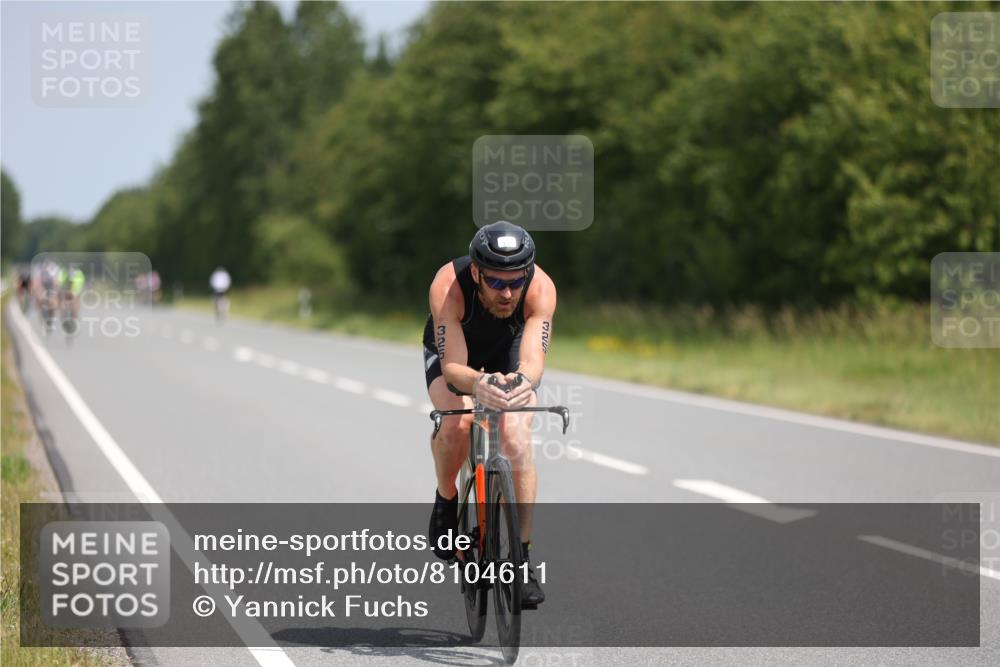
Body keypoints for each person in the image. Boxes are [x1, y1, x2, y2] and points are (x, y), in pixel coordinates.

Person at [423, 220, 557, 608]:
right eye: (497, 282)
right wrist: (477, 385)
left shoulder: (541, 288)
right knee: (458, 422)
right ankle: (447, 500)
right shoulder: (448, 285)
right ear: (477, 273)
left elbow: (533, 362)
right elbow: (452, 370)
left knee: (516, 438)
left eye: (516, 280)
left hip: (508, 352)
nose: (508, 292)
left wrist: (518, 383)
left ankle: (521, 559)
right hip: (455, 355)